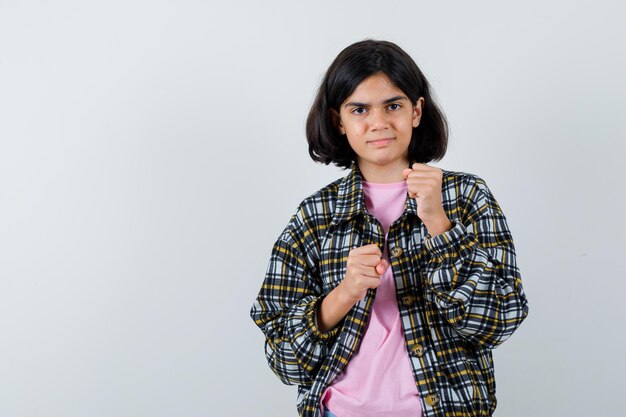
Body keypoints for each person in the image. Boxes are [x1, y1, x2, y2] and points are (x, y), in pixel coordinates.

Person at [249, 39, 529, 417]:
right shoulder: (315, 215)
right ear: (339, 121)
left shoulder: (466, 196)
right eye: (359, 109)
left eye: (393, 105)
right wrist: (345, 293)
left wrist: (439, 225)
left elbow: (498, 321)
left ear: (416, 111)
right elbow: (284, 360)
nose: (378, 123)